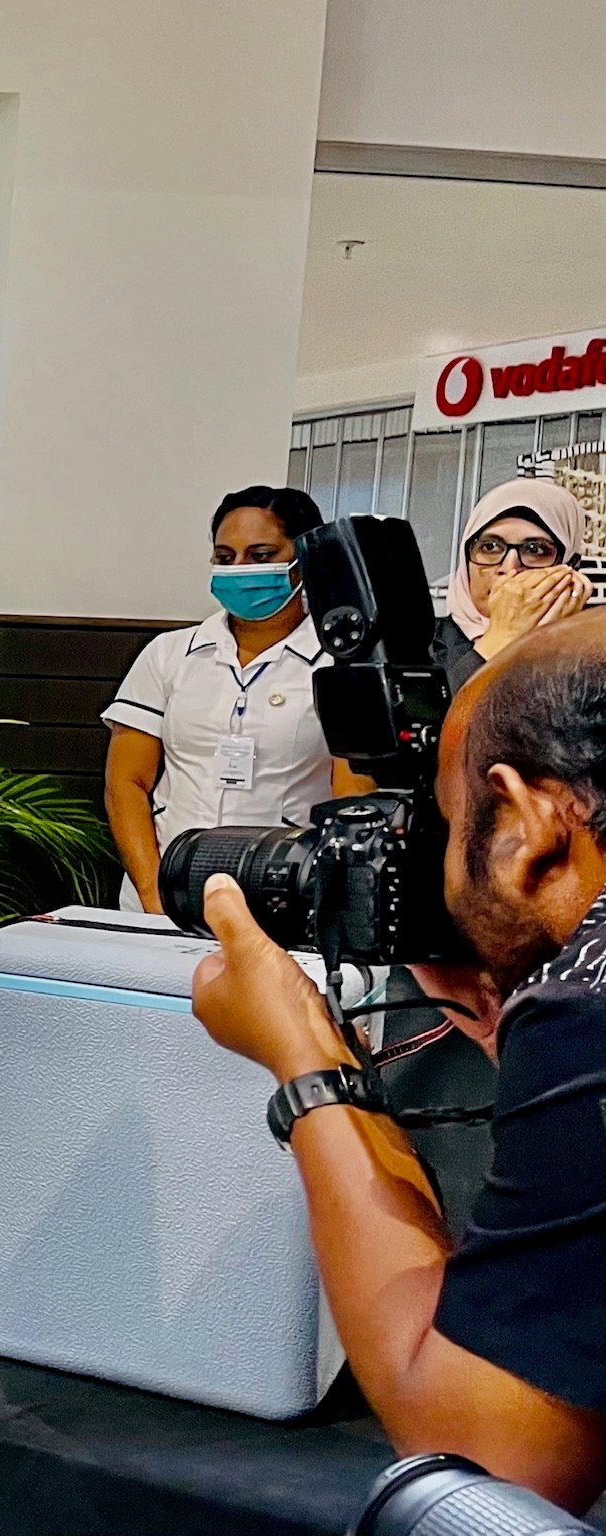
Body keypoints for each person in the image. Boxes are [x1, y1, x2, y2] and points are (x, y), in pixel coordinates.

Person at [189, 611, 606, 1510]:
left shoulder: (587, 1011)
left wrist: (304, 1055)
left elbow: (490, 1456)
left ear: (526, 821)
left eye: (449, 825)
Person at [103, 486, 371, 914]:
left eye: (261, 555)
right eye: (225, 558)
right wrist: (155, 897)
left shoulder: (339, 665)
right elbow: (125, 784)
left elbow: (349, 800)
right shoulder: (169, 654)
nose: (239, 570)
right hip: (166, 894)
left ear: (305, 560)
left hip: (280, 900)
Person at [438, 477, 591, 695]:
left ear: (569, 565)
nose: (509, 569)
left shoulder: (589, 658)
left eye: (535, 550)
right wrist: (499, 641)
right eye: (490, 547)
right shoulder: (415, 645)